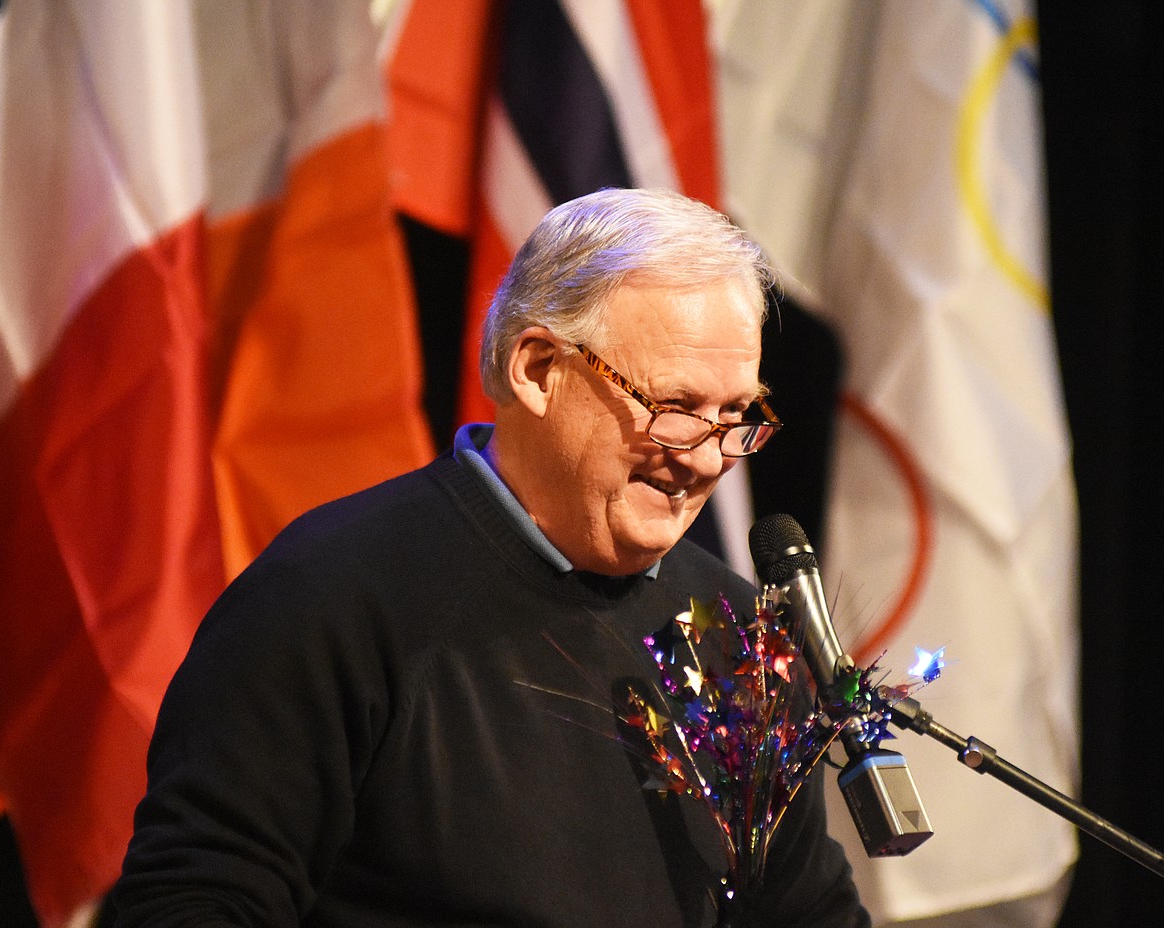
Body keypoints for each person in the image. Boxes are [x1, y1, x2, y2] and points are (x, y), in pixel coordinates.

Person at [112, 187, 869, 927]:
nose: (709, 461)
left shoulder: (736, 635)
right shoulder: (327, 598)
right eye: (675, 409)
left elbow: (808, 911)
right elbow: (194, 897)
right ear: (537, 369)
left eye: (735, 416)